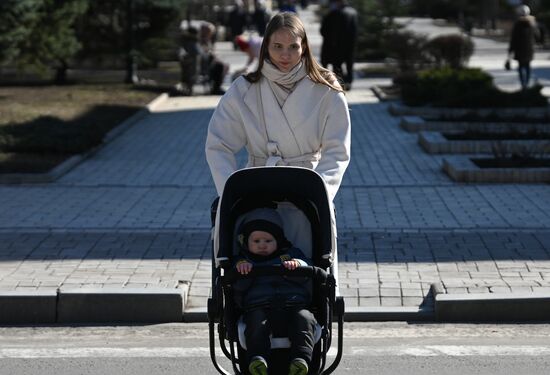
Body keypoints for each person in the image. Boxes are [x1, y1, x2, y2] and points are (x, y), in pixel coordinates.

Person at [205, 12, 351, 204]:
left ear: (304, 47)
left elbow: (337, 151)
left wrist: (320, 193)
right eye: (277, 46)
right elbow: (218, 144)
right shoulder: (244, 88)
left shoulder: (326, 88)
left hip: (307, 191)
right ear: (266, 46)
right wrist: (232, 193)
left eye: (293, 46)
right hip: (257, 193)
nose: (285, 55)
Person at [233, 208, 315, 375]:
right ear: (246, 242)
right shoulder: (243, 260)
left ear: (278, 241)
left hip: (293, 304)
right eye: (256, 241)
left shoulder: (288, 255)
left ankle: (301, 359)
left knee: (305, 318)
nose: (262, 245)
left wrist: (298, 265)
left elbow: (308, 270)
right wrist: (242, 271)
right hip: (259, 306)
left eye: (268, 240)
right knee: (256, 323)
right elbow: (237, 288)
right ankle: (257, 359)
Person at [320, 0, 358, 90]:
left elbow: (326, 31)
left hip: (338, 45)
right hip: (351, 44)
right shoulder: (353, 12)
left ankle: (340, 83)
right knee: (349, 64)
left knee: (337, 65)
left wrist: (332, 43)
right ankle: (349, 81)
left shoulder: (336, 14)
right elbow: (355, 30)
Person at [508, 5, 539, 90]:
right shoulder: (532, 23)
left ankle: (523, 84)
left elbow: (513, 38)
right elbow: (537, 36)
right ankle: (527, 83)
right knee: (528, 66)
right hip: (529, 48)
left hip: (519, 49)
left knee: (521, 66)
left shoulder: (517, 24)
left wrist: (510, 50)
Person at [199, 22, 229, 95]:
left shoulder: (207, 41)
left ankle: (217, 87)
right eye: (210, 32)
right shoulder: (201, 41)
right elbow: (205, 54)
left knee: (224, 65)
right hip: (203, 66)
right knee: (220, 66)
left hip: (207, 63)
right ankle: (216, 88)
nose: (211, 34)